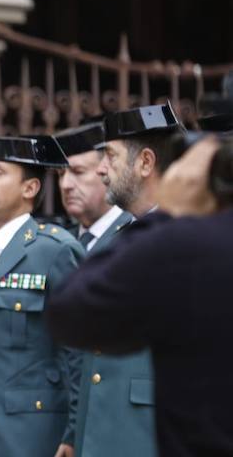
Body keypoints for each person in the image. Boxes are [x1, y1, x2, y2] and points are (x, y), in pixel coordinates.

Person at [47, 136, 233, 457]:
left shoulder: (188, 245)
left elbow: (70, 310)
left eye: (110, 156)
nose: (102, 170)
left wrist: (168, 214)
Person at [52, 104, 182, 457]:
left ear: (145, 163)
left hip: (148, 434)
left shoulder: (186, 237)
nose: (102, 168)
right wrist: (76, 433)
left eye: (110, 156)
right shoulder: (117, 237)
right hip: (102, 432)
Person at [0, 135, 83, 457]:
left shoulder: (55, 250)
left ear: (29, 188)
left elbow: (77, 353)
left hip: (33, 436)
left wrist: (74, 433)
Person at [55, 121, 132, 254]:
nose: (65, 185)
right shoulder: (59, 240)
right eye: (61, 174)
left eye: (78, 172)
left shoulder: (132, 234)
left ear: (105, 170)